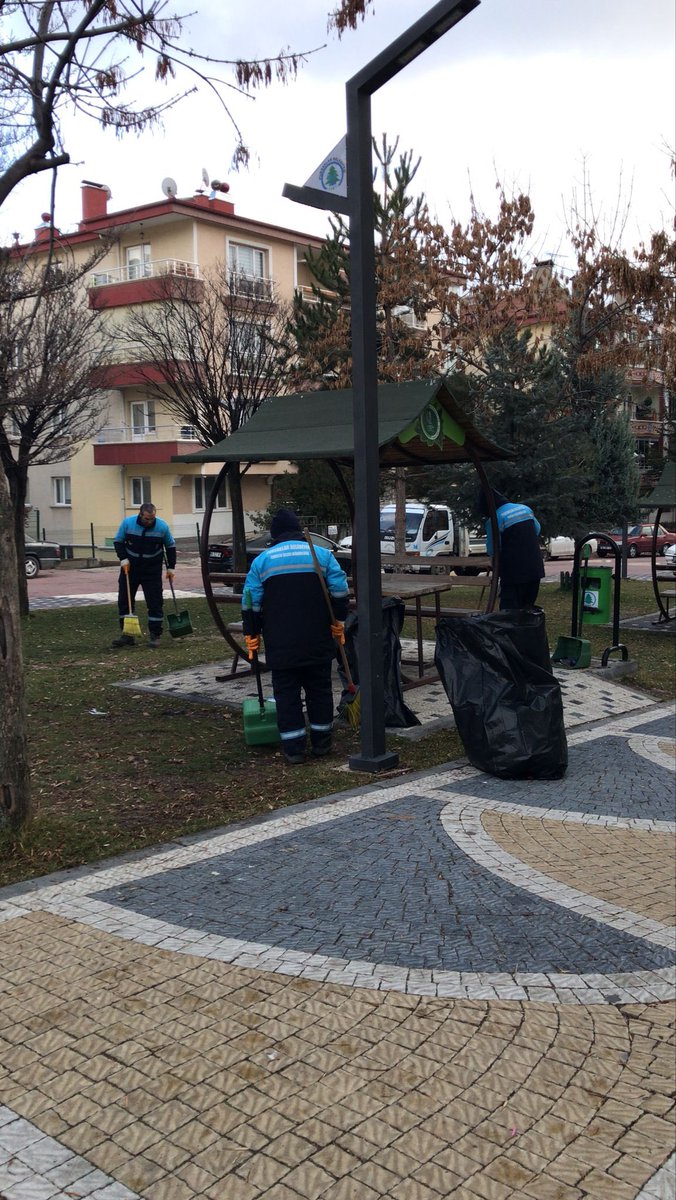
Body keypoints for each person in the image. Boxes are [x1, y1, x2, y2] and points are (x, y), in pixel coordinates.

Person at [241, 508, 349, 765]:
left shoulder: (262, 561)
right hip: (318, 638)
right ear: (300, 531)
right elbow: (340, 589)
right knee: (319, 689)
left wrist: (251, 633)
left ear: (275, 535)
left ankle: (294, 748)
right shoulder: (320, 555)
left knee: (286, 694)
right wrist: (339, 620)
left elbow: (250, 601)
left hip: (281, 642)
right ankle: (322, 742)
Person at [112, 502, 177, 647]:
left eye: (152, 518)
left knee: (155, 602)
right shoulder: (128, 523)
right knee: (125, 600)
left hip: (152, 570)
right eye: (147, 518)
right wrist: (123, 558)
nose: (150, 521)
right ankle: (127, 635)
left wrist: (171, 567)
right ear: (140, 515)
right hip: (130, 568)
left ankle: (155, 635)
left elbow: (171, 547)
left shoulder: (162, 527)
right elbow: (118, 542)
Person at [478, 487, 544, 610]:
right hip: (535, 568)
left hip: (513, 572)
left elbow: (493, 549)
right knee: (528, 609)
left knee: (509, 612)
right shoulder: (525, 510)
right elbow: (537, 529)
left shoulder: (495, 519)